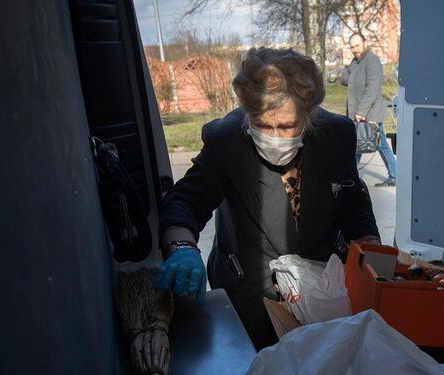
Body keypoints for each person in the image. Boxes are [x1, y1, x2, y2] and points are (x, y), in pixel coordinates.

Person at [155, 47, 381, 350]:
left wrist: (371, 251)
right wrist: (182, 247)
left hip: (321, 287)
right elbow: (186, 200)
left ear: (309, 113)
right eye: (262, 125)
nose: (274, 136)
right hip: (251, 290)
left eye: (287, 126)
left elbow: (353, 199)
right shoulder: (226, 141)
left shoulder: (336, 136)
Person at [339, 33, 397, 187]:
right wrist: (348, 66)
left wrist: (361, 112)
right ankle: (352, 176)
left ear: (364, 43)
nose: (355, 49)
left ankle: (393, 176)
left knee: (380, 145)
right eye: (352, 47)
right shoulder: (355, 62)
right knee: (359, 145)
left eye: (357, 45)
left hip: (369, 113)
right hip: (357, 113)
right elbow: (344, 80)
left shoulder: (372, 61)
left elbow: (372, 89)